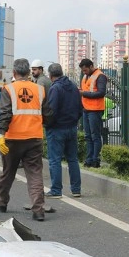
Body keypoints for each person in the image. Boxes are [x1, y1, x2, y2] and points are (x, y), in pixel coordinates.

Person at [0, 58, 52, 221]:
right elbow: (47, 114)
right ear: (28, 72)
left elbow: (5, 114)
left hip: (12, 139)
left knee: (8, 171)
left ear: (14, 72)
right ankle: (38, 209)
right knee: (35, 174)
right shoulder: (40, 89)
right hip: (34, 138)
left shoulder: (8, 89)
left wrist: (1, 135)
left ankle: (2, 201)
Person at [44, 63, 82, 198]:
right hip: (71, 127)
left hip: (57, 128)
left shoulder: (55, 88)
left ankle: (56, 190)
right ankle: (76, 189)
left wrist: (47, 124)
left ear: (50, 75)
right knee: (73, 159)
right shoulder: (73, 86)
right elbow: (80, 107)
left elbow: (51, 110)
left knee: (55, 160)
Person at [78, 58, 107, 168]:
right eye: (83, 71)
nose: (84, 72)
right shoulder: (85, 76)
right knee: (88, 136)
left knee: (95, 136)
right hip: (86, 109)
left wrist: (83, 93)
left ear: (91, 66)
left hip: (95, 110)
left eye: (85, 70)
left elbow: (101, 93)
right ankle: (89, 159)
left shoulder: (100, 76)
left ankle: (95, 160)